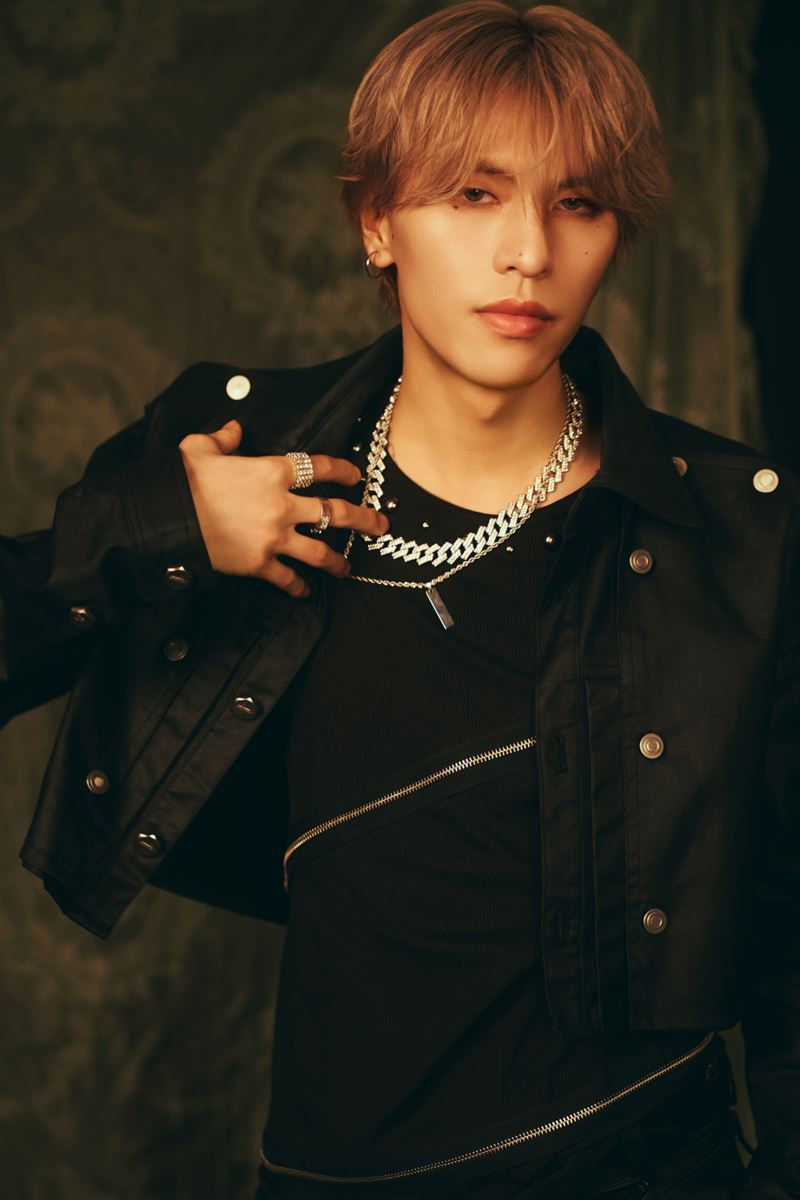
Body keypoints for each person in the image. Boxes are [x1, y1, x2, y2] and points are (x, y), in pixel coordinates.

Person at [2, 2, 797, 1198]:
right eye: (473, 195)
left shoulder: (736, 535)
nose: (526, 251)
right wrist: (166, 530)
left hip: (636, 1161)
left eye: (576, 203)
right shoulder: (227, 453)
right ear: (376, 221)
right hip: (322, 1173)